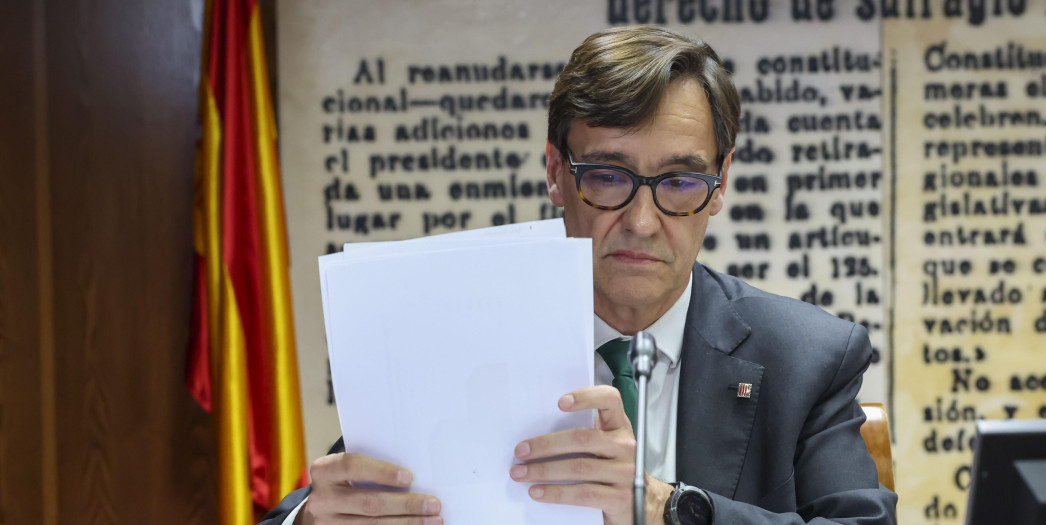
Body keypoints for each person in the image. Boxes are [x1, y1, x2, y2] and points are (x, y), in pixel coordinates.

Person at [262, 26, 897, 525]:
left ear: (720, 184)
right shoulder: (455, 335)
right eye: (609, 177)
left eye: (678, 182)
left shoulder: (807, 357)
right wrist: (315, 520)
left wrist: (661, 509)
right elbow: (316, 504)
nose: (643, 222)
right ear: (555, 173)